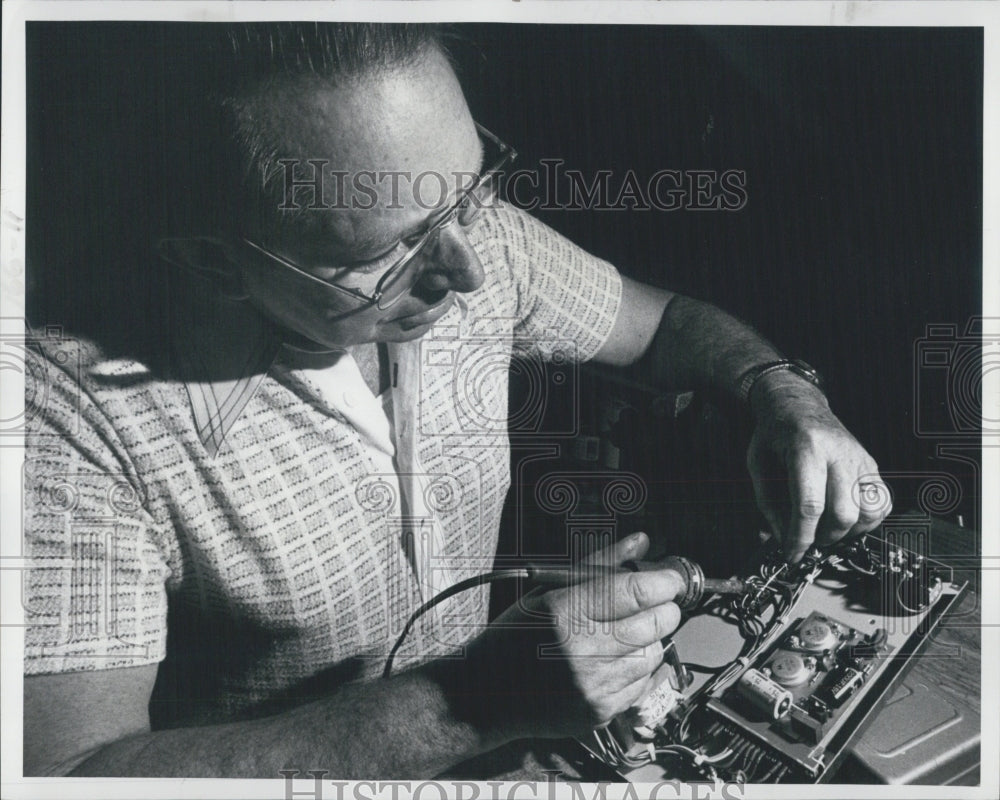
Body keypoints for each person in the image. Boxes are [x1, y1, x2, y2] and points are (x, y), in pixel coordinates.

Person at [22, 23, 890, 778]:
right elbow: (66, 773)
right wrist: (469, 703)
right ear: (212, 261)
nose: (468, 270)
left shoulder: (464, 234)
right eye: (389, 251)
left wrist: (781, 391)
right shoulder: (61, 416)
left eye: (472, 189)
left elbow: (665, 326)